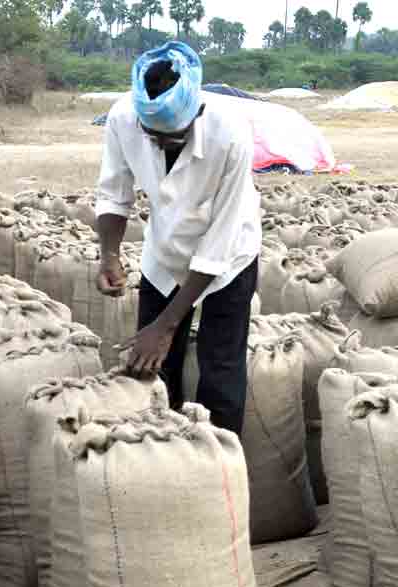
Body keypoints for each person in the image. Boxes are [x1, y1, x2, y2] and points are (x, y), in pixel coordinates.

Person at [95, 42, 260, 434]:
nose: (160, 144)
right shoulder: (122, 119)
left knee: (220, 370)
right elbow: (114, 193)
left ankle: (217, 459)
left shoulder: (231, 134)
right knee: (150, 368)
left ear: (197, 113)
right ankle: (163, 455)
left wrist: (167, 326)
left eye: (173, 138)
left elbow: (219, 242)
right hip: (164, 253)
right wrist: (109, 255)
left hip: (228, 258)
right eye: (153, 136)